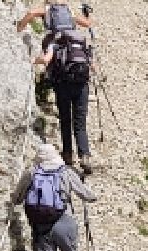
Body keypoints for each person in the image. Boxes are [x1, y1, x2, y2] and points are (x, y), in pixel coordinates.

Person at [11, 144, 97, 251]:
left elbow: (17, 198)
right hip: (64, 223)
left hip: (41, 228)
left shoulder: (31, 173)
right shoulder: (65, 172)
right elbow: (88, 195)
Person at [16, 0, 96, 172]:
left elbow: (45, 59)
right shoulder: (74, 28)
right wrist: (88, 14)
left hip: (63, 83)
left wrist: (20, 29)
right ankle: (85, 156)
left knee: (66, 120)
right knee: (80, 122)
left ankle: (68, 155)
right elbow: (88, 24)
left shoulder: (53, 38)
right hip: (82, 83)